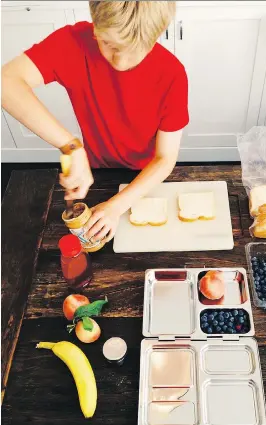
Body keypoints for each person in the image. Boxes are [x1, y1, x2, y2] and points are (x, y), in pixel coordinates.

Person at [1, 1, 189, 243]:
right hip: (98, 172)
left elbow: (165, 159)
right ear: (95, 24)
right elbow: (6, 83)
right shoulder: (73, 42)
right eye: (109, 44)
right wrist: (71, 146)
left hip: (148, 178)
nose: (120, 61)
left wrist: (116, 206)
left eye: (136, 50)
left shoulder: (172, 74)